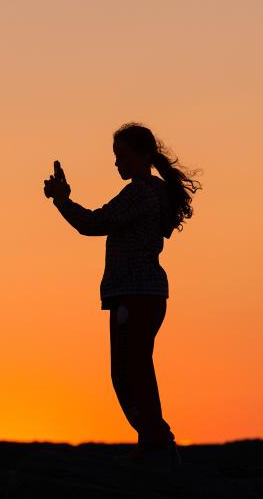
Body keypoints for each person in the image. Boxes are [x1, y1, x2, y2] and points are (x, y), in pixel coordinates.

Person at [44, 122, 202, 472]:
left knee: (131, 372)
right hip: (142, 294)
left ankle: (157, 446)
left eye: (122, 157)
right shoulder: (155, 191)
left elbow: (93, 223)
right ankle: (155, 444)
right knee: (132, 370)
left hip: (136, 295)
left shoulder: (141, 192)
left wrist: (61, 200)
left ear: (143, 156)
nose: (117, 164)